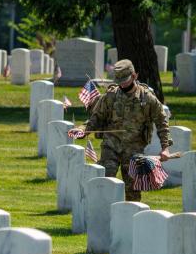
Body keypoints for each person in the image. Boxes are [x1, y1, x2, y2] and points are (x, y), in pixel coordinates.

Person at [70, 59, 172, 201]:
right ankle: (102, 215)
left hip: (134, 149)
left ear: (135, 76)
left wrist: (165, 147)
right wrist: (83, 129)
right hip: (111, 145)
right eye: (119, 80)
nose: (122, 84)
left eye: (125, 80)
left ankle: (130, 220)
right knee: (105, 181)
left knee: (132, 190)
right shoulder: (111, 96)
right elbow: (96, 118)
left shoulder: (147, 99)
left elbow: (162, 122)